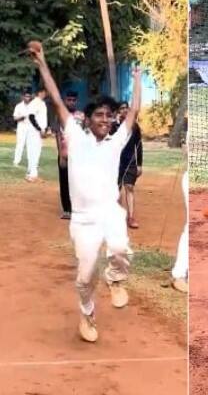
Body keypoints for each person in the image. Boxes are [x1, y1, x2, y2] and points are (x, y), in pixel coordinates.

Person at [29, 42, 142, 343]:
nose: (105, 120)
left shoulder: (117, 142)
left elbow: (133, 113)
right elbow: (55, 98)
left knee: (119, 248)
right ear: (89, 119)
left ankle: (116, 280)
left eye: (109, 116)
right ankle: (87, 311)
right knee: (85, 275)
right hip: (82, 220)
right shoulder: (76, 137)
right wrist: (41, 63)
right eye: (99, 116)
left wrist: (139, 78)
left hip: (109, 212)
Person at [53, 91, 84, 219]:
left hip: (78, 154)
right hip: (65, 153)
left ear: (76, 101)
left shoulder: (80, 116)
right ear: (65, 100)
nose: (71, 102)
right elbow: (58, 135)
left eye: (73, 100)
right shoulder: (60, 115)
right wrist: (60, 154)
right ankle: (67, 210)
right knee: (64, 181)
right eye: (69, 99)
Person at [114, 101, 144, 229]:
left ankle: (131, 217)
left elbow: (139, 145)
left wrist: (140, 164)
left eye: (126, 108)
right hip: (116, 163)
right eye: (121, 109)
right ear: (118, 112)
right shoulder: (113, 127)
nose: (125, 111)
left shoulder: (135, 127)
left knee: (129, 187)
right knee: (116, 190)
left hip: (130, 162)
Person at [24, 88, 48, 182]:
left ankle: (30, 174)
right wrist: (39, 129)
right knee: (34, 151)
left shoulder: (41, 103)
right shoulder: (36, 102)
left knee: (33, 151)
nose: (46, 94)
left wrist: (45, 129)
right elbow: (31, 117)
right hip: (34, 131)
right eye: (45, 92)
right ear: (41, 92)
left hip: (37, 131)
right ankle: (33, 175)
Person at [13, 88, 34, 168]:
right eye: (26, 96)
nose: (27, 98)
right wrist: (21, 117)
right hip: (21, 127)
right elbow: (15, 118)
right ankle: (16, 161)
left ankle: (31, 163)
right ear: (23, 97)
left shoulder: (33, 106)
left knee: (30, 146)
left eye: (29, 96)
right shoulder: (18, 106)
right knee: (20, 144)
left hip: (30, 127)